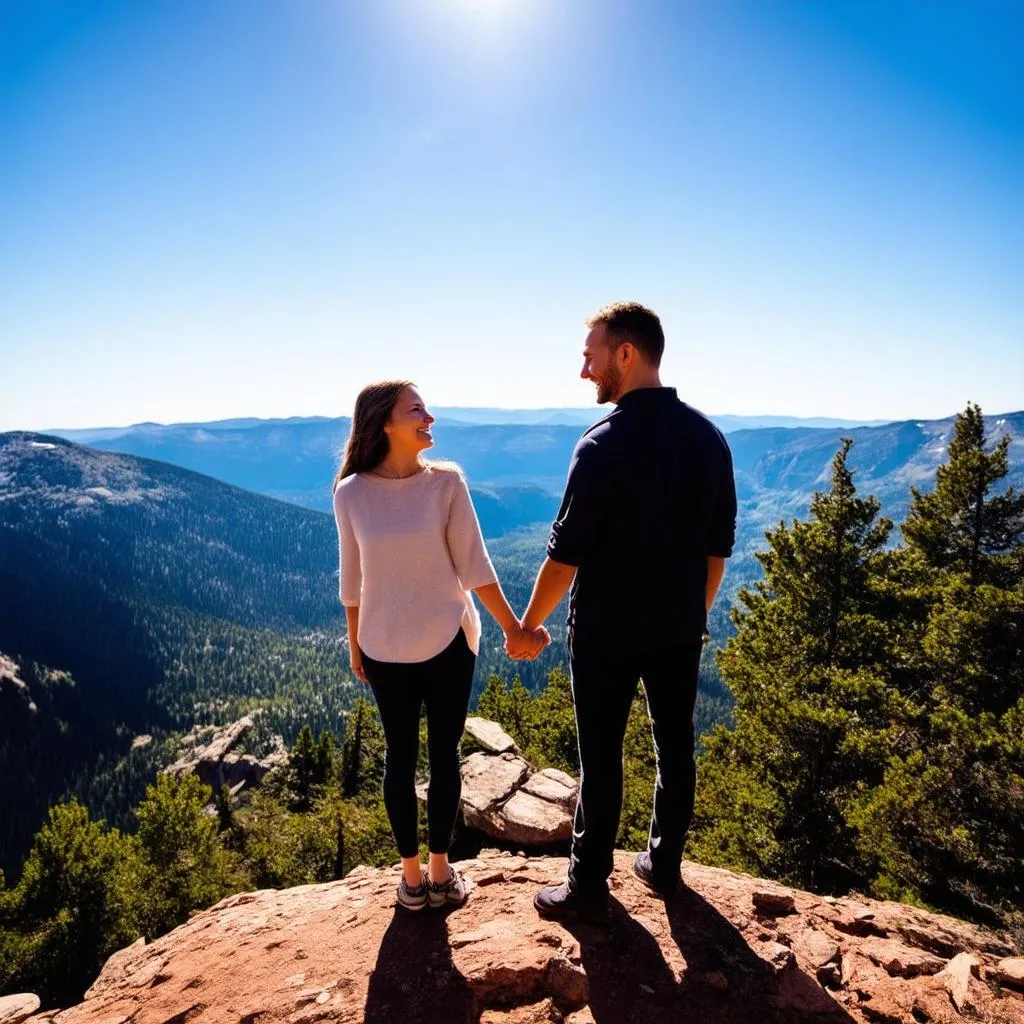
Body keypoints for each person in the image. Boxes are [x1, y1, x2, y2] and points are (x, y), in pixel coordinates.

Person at [510, 302, 737, 922]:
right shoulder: (709, 438)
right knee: (676, 747)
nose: (585, 370)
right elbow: (719, 546)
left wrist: (529, 626)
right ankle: (663, 866)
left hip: (606, 632)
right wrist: (695, 612)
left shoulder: (602, 444)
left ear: (626, 354)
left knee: (601, 756)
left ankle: (587, 887)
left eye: (591, 355)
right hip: (678, 629)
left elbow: (564, 557)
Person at [332, 380, 547, 911]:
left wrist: (512, 626)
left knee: (444, 756)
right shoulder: (351, 492)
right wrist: (355, 643)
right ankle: (411, 880)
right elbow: (351, 576)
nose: (430, 418)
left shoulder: (446, 482)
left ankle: (439, 871)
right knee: (400, 758)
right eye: (417, 410)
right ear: (385, 422)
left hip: (451, 641)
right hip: (382, 646)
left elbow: (475, 566)